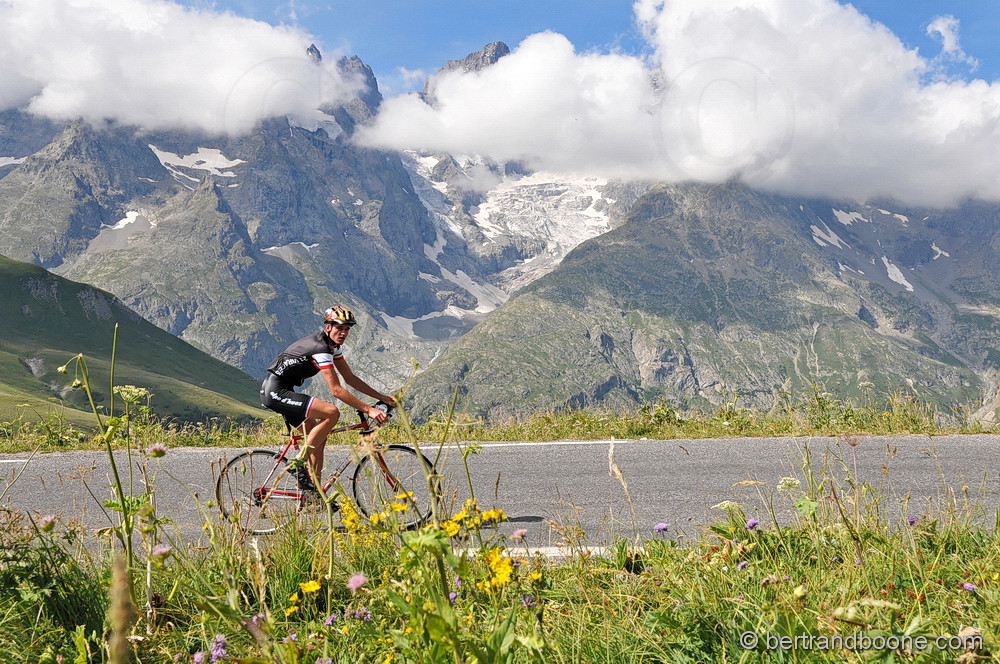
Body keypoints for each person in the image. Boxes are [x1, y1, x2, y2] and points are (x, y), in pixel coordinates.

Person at [260, 305, 396, 493]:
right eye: (339, 328)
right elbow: (336, 390)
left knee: (318, 439)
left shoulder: (333, 347)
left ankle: (313, 494)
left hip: (284, 390)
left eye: (347, 329)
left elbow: (350, 378)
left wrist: (381, 398)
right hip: (276, 392)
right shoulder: (320, 349)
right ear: (328, 327)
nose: (343, 333)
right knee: (332, 412)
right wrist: (369, 409)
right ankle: (298, 463)